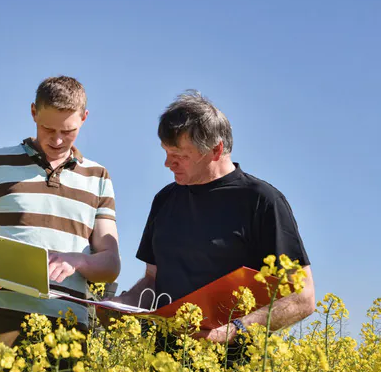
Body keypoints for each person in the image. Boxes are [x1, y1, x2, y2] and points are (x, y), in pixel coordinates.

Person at [105, 90, 315, 349]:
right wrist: (123, 305)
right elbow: (152, 280)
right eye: (165, 152)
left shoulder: (262, 201)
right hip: (165, 371)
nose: (167, 163)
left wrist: (232, 332)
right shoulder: (165, 199)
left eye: (179, 155)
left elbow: (302, 297)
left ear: (216, 150)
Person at [0, 75, 121, 347]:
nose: (57, 140)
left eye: (68, 131)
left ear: (84, 117)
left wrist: (76, 261)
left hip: (67, 324)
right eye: (47, 129)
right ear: (33, 112)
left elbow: (110, 263)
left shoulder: (98, 176)